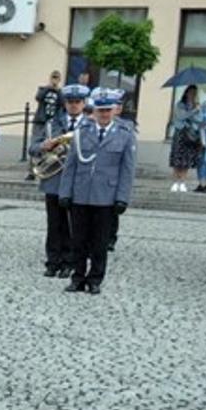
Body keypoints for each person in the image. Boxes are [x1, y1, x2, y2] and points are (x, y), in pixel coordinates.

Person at [59, 88, 136, 294]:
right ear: (94, 111)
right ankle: (78, 277)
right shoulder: (82, 133)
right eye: (100, 110)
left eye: (107, 110)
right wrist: (65, 192)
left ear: (114, 111)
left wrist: (122, 198)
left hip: (106, 197)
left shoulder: (124, 135)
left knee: (100, 242)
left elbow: (127, 170)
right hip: (81, 194)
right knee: (79, 240)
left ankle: (95, 279)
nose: (103, 114)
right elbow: (71, 165)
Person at [31, 84, 89, 277]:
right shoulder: (51, 124)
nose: (74, 105)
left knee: (75, 225)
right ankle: (52, 261)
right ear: (65, 103)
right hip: (54, 179)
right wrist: (43, 146)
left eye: (77, 102)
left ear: (84, 103)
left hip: (77, 182)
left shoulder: (88, 126)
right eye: (70, 102)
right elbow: (33, 147)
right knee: (54, 224)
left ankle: (70, 262)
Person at [168, 85, 203, 192]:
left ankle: (182, 182)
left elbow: (199, 119)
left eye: (194, 93)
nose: (192, 95)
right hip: (180, 134)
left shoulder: (196, 106)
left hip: (191, 135)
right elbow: (181, 116)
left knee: (186, 160)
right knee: (177, 159)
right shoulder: (180, 104)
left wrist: (195, 110)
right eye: (191, 92)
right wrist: (192, 112)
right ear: (186, 93)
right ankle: (175, 182)